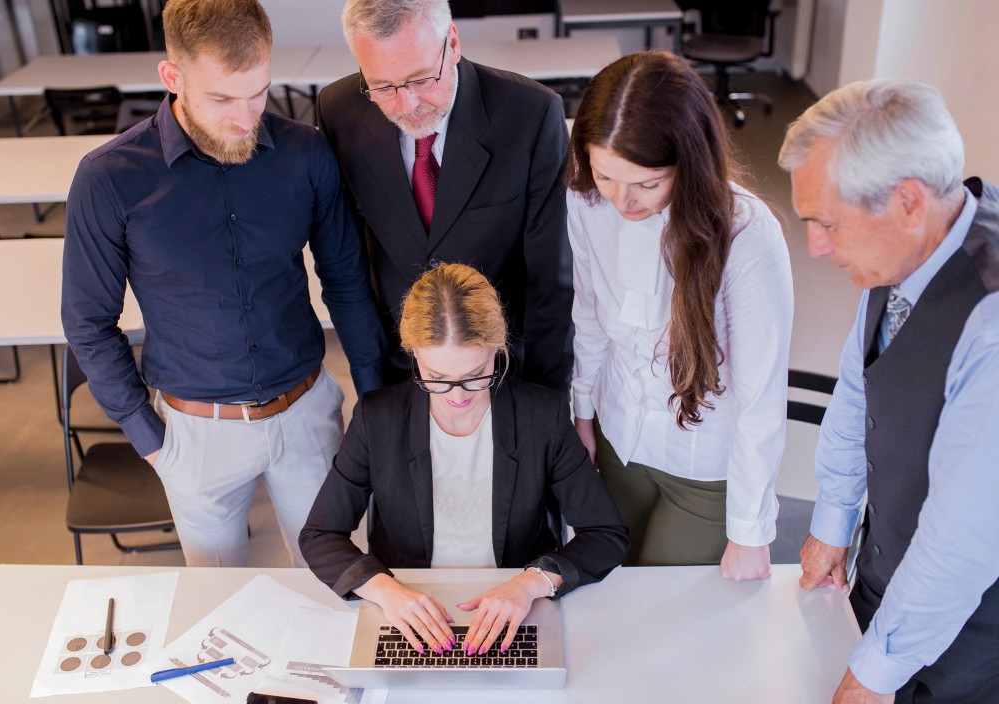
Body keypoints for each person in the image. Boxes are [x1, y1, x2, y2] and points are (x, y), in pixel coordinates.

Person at [61, 0, 386, 568]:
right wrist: (149, 438)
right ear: (173, 77)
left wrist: (374, 399)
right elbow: (88, 322)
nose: (245, 116)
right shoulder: (109, 177)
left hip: (306, 413)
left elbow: (346, 279)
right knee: (219, 604)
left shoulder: (306, 152)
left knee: (335, 590)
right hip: (194, 434)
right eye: (222, 99)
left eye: (258, 92)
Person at [779, 79, 999, 704]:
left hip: (966, 630)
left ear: (908, 201)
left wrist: (874, 674)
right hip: (889, 570)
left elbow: (962, 536)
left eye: (827, 224)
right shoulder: (904, 251)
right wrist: (834, 520)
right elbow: (859, 388)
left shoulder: (989, 322)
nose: (815, 247)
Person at [300, 263, 628, 657]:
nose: (457, 396)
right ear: (413, 353)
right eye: (437, 378)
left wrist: (531, 583)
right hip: (409, 604)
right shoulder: (377, 418)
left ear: (498, 349)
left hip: (514, 606)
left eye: (476, 375)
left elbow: (605, 534)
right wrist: (385, 590)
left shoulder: (543, 416)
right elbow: (320, 534)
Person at [565, 52, 792, 578]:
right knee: (608, 588)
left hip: (703, 468)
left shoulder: (747, 234)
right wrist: (582, 415)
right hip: (618, 440)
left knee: (663, 607)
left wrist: (750, 532)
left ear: (690, 163)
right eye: (605, 175)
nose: (622, 201)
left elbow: (760, 396)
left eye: (648, 184)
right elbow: (590, 315)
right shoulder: (588, 202)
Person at [317, 0, 574, 392]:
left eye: (421, 79)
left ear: (452, 43)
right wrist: (372, 388)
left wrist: (544, 401)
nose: (406, 105)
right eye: (383, 87)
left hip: (504, 367)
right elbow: (348, 265)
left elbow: (551, 279)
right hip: (399, 368)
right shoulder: (340, 112)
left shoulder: (531, 115)